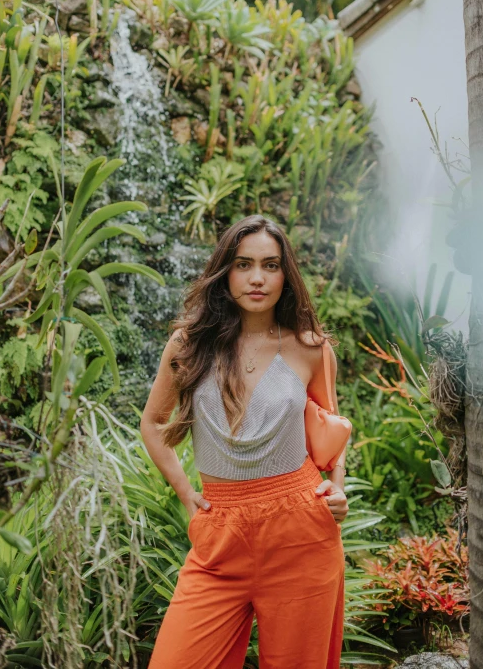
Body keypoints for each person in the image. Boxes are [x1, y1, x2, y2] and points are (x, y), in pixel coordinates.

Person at [141, 215, 349, 669]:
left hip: (301, 534)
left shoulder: (311, 348)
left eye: (271, 265)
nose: (257, 278)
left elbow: (332, 429)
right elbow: (154, 424)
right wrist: (184, 492)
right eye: (244, 264)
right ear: (225, 272)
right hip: (219, 534)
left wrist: (337, 485)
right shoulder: (188, 345)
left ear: (285, 274)